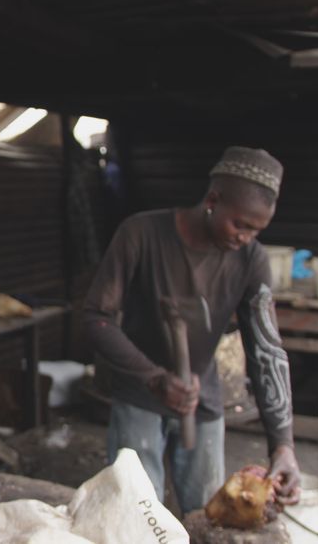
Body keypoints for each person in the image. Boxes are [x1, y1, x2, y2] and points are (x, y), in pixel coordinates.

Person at [84, 146, 302, 514]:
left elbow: (266, 351)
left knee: (211, 514)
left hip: (202, 399)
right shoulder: (140, 233)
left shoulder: (251, 260)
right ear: (213, 200)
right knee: (136, 515)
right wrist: (154, 377)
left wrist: (283, 445)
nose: (246, 237)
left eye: (257, 230)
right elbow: (96, 317)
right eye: (241, 224)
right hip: (138, 395)